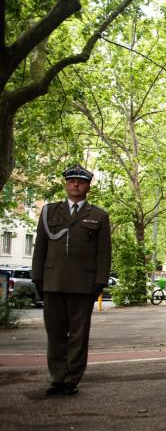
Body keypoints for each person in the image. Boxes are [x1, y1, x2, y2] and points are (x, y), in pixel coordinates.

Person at [32, 165, 112, 396]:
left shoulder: (99, 216)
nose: (76, 184)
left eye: (81, 182)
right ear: (66, 184)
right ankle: (57, 377)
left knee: (79, 333)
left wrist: (100, 281)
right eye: (72, 181)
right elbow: (40, 247)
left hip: (83, 283)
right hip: (53, 280)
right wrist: (37, 277)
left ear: (88, 187)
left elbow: (104, 253)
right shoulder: (49, 212)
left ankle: (71, 379)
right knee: (55, 332)